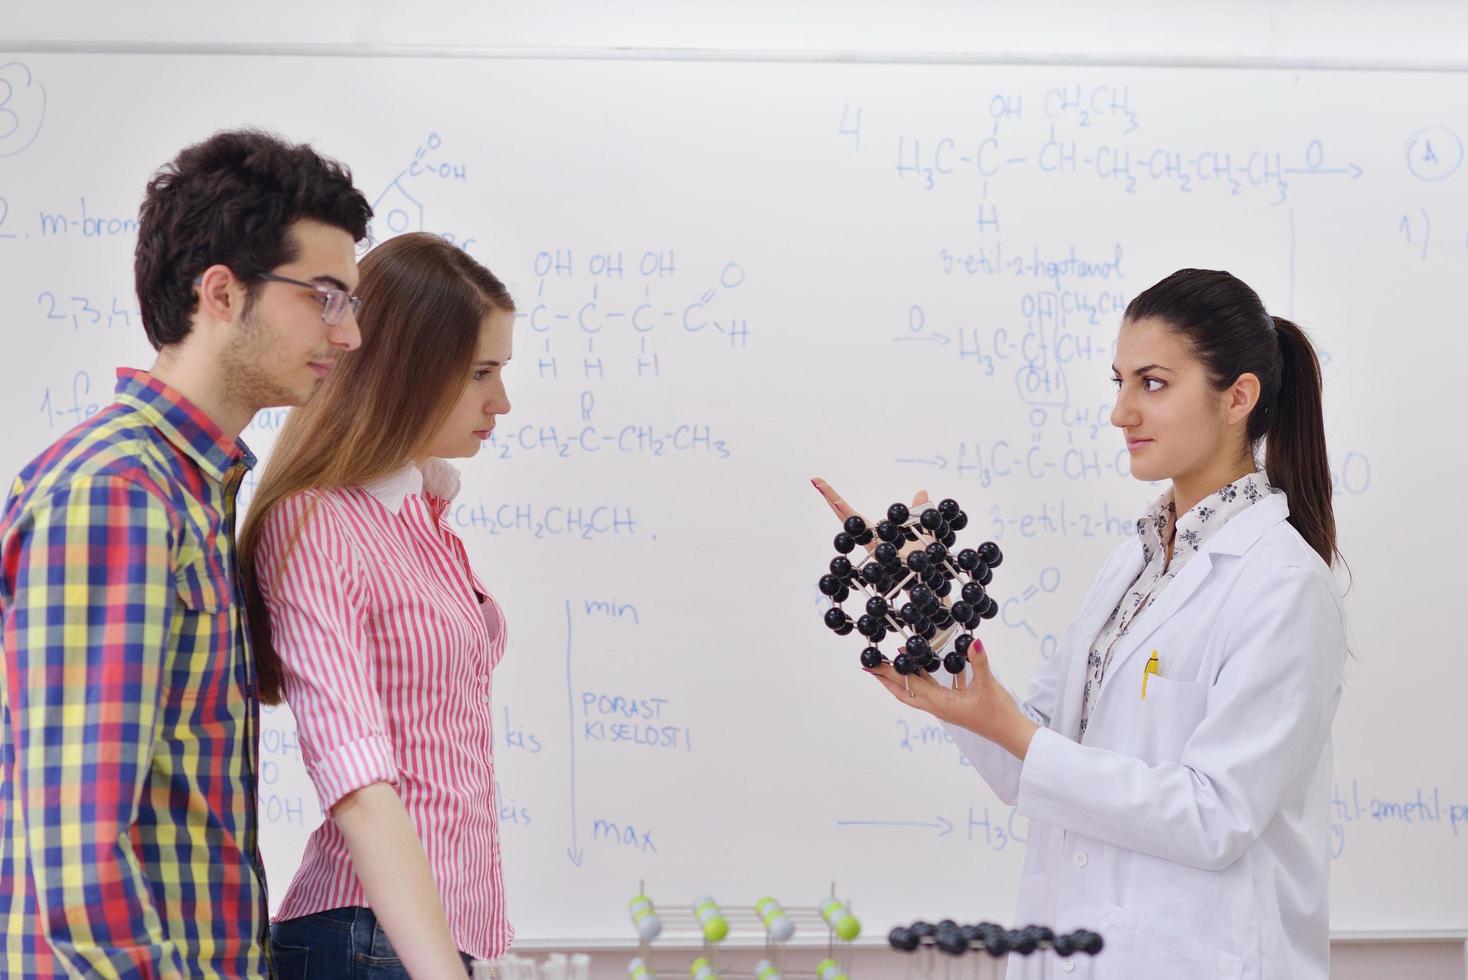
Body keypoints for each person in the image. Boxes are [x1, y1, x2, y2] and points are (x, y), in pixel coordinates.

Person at [816, 268, 1347, 979]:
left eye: (1152, 383)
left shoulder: (1282, 584)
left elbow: (1215, 815)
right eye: (1118, 381)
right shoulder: (1131, 564)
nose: (1121, 412)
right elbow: (1032, 762)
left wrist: (1015, 731)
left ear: (1238, 398)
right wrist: (933, 624)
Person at [0, 129, 371, 978]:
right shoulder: (119, 496)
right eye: (324, 295)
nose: (346, 336)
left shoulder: (193, 490)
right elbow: (79, 855)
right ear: (222, 293)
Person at [239, 232, 517, 978]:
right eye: (480, 373)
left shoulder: (422, 518)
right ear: (407, 371)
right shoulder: (317, 522)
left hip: (420, 940)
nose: (503, 402)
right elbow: (356, 775)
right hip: (365, 940)